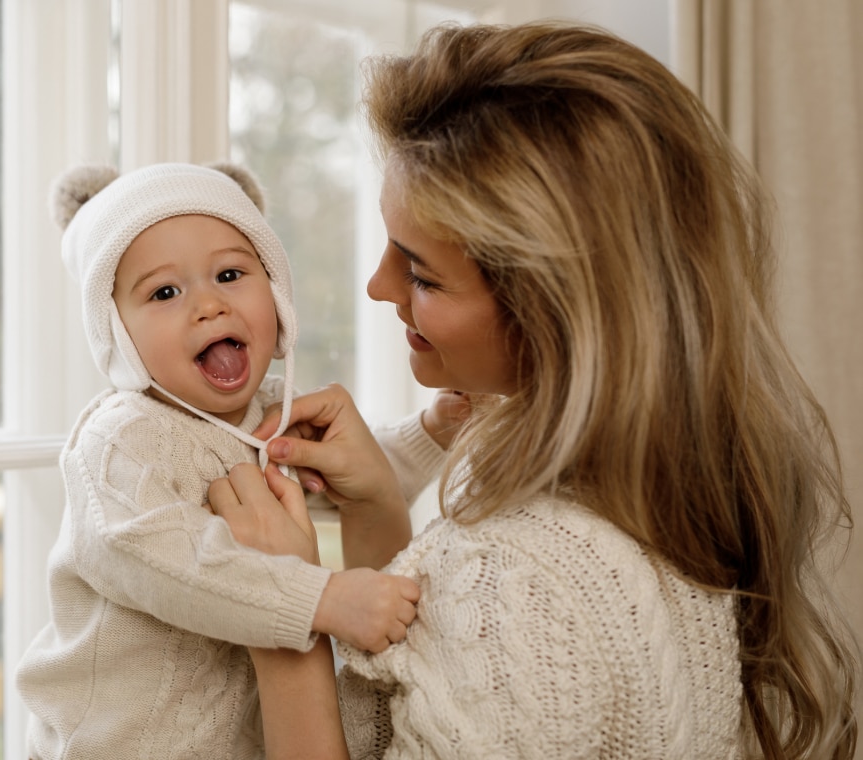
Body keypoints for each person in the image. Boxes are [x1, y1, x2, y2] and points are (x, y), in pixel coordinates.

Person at [208, 21, 859, 760]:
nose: (378, 285)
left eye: (421, 273)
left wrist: (276, 608)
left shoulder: (511, 583)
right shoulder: (665, 504)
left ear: (552, 312)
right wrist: (380, 512)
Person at [14, 161, 458, 760]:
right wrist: (320, 598)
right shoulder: (120, 441)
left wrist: (431, 431)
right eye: (165, 292)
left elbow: (348, 475)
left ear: (276, 293)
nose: (208, 306)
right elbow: (167, 560)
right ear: (118, 335)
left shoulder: (270, 412)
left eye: (229, 274)